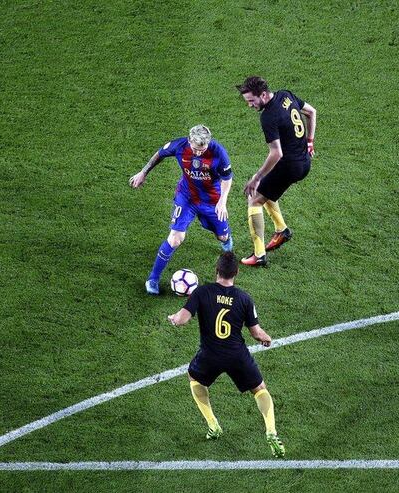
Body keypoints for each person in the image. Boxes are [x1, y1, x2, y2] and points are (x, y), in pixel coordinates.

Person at [167, 252, 285, 457]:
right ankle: (271, 431)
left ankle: (213, 425)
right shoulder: (244, 298)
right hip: (236, 355)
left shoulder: (202, 292)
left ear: (216, 271)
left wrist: (173, 318)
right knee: (259, 389)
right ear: (236, 273)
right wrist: (267, 338)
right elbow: (256, 333)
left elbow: (182, 320)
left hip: (209, 354)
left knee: (194, 377)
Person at [130, 124, 234, 295]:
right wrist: (143, 172)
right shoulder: (179, 146)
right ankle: (153, 278)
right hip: (187, 198)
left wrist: (222, 202)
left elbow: (227, 179)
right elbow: (159, 154)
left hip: (211, 201)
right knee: (175, 238)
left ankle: (225, 239)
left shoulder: (219, 152)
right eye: (195, 149)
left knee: (222, 235)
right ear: (189, 141)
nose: (199, 153)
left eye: (202, 149)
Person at [236, 76, 317, 266]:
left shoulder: (268, 116)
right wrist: (310, 141)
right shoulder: (285, 95)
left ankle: (259, 255)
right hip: (304, 161)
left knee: (254, 197)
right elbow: (312, 112)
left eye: (251, 101)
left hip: (289, 166)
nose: (250, 106)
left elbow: (276, 153)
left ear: (263, 95)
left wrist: (256, 177)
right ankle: (281, 230)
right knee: (268, 191)